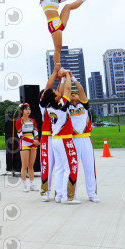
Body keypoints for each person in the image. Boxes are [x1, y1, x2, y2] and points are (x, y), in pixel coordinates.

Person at [24, 0, 93, 64]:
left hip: (60, 21)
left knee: (68, 6)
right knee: (58, 48)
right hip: (53, 25)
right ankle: (58, 67)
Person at [42, 69, 80, 204]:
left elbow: (61, 91)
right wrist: (67, 74)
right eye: (55, 91)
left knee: (59, 168)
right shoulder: (61, 105)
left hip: (56, 140)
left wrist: (62, 79)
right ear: (56, 98)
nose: (58, 90)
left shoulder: (49, 107)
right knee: (70, 167)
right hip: (64, 139)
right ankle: (67, 197)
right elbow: (67, 90)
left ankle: (59, 195)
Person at [68, 77, 100, 203]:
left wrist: (72, 78)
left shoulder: (84, 105)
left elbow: (81, 89)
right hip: (73, 139)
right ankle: (72, 194)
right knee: (72, 168)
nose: (74, 94)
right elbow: (65, 92)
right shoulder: (66, 107)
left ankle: (92, 194)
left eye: (75, 94)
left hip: (86, 138)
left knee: (89, 167)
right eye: (71, 93)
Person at [39, 63, 61, 201]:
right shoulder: (44, 105)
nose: (54, 91)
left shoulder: (59, 104)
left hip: (58, 137)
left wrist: (61, 78)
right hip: (47, 138)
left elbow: (59, 90)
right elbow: (48, 88)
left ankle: (59, 192)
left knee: (60, 165)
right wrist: (55, 71)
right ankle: (45, 192)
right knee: (47, 165)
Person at [15, 103, 40, 192]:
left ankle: (32, 184)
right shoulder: (19, 121)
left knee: (31, 166)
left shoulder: (32, 120)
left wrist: (35, 143)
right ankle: (24, 185)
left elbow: (36, 132)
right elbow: (20, 136)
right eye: (26, 109)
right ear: (22, 111)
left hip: (33, 143)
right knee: (24, 166)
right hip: (24, 144)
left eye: (29, 109)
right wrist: (33, 142)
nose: (28, 111)